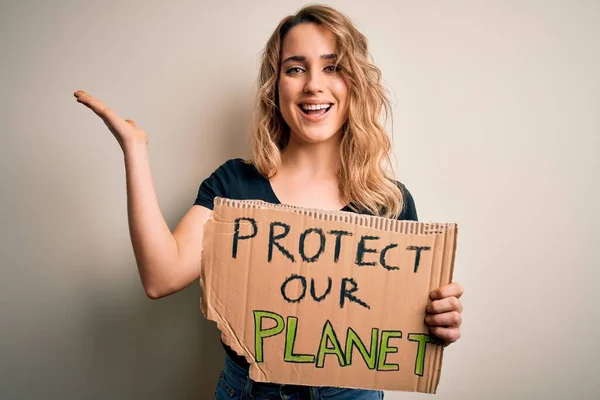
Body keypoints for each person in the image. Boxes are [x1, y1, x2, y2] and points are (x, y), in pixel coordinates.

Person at [74, 4, 463, 399]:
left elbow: (403, 333)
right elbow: (161, 277)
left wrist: (437, 326)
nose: (313, 84)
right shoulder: (234, 185)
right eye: (296, 68)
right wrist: (134, 151)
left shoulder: (390, 204)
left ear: (355, 83)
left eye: (332, 67)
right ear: (275, 86)